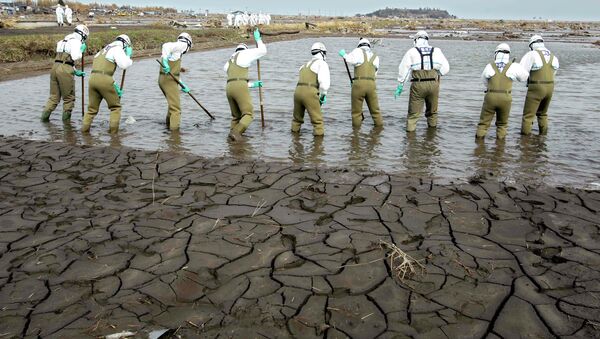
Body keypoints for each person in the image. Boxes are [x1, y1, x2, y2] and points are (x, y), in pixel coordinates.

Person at [396, 31, 450, 132]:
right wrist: (437, 73)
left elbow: (404, 69)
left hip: (418, 84)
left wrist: (401, 84)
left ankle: (410, 140)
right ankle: (432, 138)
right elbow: (446, 68)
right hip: (434, 84)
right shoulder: (437, 50)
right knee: (432, 112)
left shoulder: (412, 51)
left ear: (416, 39)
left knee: (413, 114)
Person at [82, 35, 133, 134]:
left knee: (91, 109)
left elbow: (103, 70)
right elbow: (124, 65)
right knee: (115, 107)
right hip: (104, 79)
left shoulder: (102, 50)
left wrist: (114, 85)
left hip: (92, 79)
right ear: (125, 44)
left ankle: (84, 132)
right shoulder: (117, 49)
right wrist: (128, 55)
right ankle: (114, 135)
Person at [476, 43, 529, 139]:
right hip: (506, 98)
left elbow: (484, 80)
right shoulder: (514, 66)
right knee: (502, 124)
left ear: (496, 53)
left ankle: (479, 146)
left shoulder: (489, 66)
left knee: (483, 124)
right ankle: (500, 148)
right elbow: (524, 78)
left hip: (490, 97)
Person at [224, 28, 266, 141]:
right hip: (239, 86)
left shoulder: (229, 61)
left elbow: (235, 80)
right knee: (248, 113)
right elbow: (262, 51)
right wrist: (258, 39)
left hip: (229, 87)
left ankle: (231, 140)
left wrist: (253, 85)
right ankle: (236, 133)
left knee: (236, 116)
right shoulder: (245, 53)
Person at [41, 25, 89, 122]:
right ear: (83, 35)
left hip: (55, 67)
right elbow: (75, 57)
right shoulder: (76, 41)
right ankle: (67, 126)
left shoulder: (62, 41)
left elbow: (63, 60)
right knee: (69, 98)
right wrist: (81, 50)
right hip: (65, 70)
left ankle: (43, 120)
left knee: (54, 97)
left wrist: (75, 71)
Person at [339, 38, 383, 128]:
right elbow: (375, 74)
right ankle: (379, 131)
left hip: (358, 84)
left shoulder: (357, 51)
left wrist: (344, 54)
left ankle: (355, 134)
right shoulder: (375, 57)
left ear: (359, 45)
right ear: (369, 46)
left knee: (356, 112)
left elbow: (350, 60)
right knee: (375, 111)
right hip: (372, 85)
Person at [520, 34, 559, 135]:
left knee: (528, 116)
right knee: (543, 114)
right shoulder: (553, 56)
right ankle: (543, 138)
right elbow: (554, 73)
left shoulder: (531, 54)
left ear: (531, 44)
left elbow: (522, 74)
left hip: (536, 87)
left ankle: (525, 142)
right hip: (550, 88)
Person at [291, 42, 330, 136]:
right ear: (322, 52)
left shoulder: (304, 65)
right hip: (309, 93)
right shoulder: (322, 64)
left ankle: (295, 140)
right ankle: (318, 146)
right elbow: (324, 84)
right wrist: (323, 95)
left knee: (297, 119)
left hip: (297, 92)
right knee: (317, 122)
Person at [159, 32, 192, 131]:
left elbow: (174, 74)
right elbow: (165, 45)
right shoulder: (183, 45)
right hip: (168, 81)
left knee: (172, 106)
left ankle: (168, 128)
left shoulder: (176, 53)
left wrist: (182, 85)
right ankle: (174, 136)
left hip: (163, 80)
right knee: (176, 110)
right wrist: (165, 61)